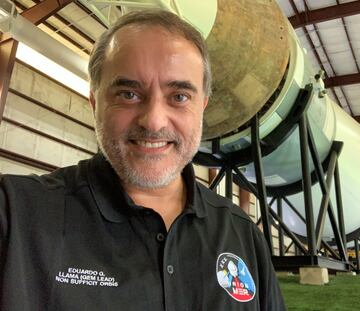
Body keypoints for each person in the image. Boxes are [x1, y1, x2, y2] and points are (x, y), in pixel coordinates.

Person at [0, 10, 286, 310]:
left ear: (202, 107)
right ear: (95, 102)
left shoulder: (241, 234)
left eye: (179, 97)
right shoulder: (17, 216)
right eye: (128, 93)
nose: (153, 121)